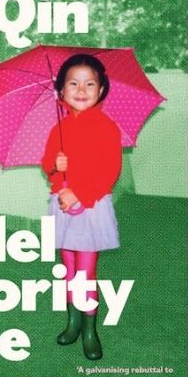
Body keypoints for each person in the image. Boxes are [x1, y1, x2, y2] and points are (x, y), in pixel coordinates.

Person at [40, 54, 122, 361]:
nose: (81, 89)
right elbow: (47, 166)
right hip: (62, 206)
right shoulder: (57, 129)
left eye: (90, 83)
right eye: (73, 83)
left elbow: (108, 170)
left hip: (89, 210)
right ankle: (72, 321)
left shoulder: (106, 127)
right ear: (61, 90)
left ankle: (90, 329)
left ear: (101, 90)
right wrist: (54, 165)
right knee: (68, 270)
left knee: (85, 274)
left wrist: (80, 193)